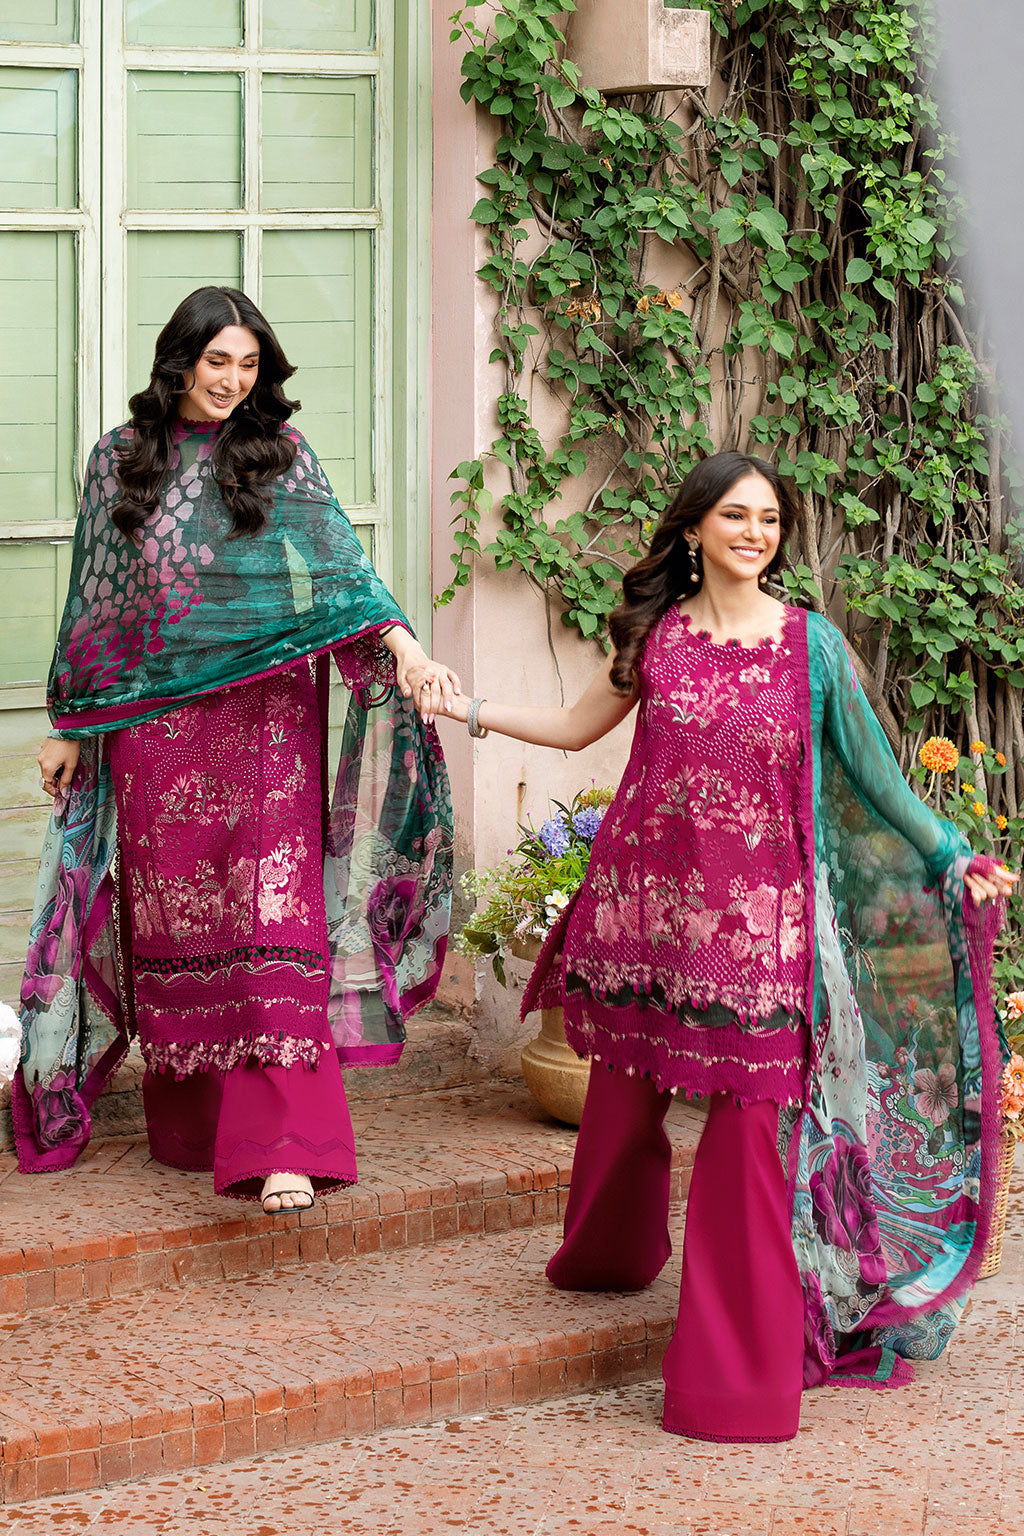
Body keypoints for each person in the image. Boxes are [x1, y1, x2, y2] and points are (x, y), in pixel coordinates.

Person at [442, 451, 1014, 1441]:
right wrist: (470, 710)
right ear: (695, 528)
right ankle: (607, 1255)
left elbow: (875, 775)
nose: (755, 534)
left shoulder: (811, 648)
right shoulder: (658, 634)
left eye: (769, 520)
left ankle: (734, 1382)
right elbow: (578, 727)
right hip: (643, 911)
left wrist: (950, 854)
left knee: (746, 1132)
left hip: (760, 934)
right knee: (624, 1090)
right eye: (736, 517)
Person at [20, 287, 459, 1214]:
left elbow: (342, 568)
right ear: (178, 361)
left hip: (266, 718)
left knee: (271, 913)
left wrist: (406, 650)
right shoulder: (119, 460)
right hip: (159, 729)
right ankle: (200, 1126)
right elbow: (98, 604)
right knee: (180, 919)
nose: (231, 381)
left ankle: (286, 1144)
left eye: (248, 365)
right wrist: (73, 727)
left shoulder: (277, 455)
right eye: (217, 361)